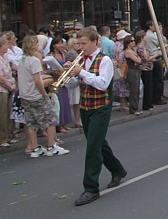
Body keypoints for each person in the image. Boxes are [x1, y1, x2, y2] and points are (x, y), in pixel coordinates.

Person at [69, 27, 127, 206]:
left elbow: (102, 84)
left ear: (94, 42)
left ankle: (91, 188)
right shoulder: (82, 61)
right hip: (86, 107)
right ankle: (118, 170)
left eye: (84, 44)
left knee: (93, 147)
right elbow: (75, 85)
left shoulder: (105, 60)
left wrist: (81, 73)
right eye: (79, 44)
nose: (81, 47)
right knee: (98, 142)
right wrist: (69, 75)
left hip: (101, 107)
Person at [18, 36, 70, 158]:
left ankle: (35, 148)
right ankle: (51, 145)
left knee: (31, 123)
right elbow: (38, 80)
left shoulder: (22, 60)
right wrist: (45, 93)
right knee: (50, 120)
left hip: (25, 95)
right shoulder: (34, 61)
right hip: (36, 95)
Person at [49, 36, 74, 132]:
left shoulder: (64, 53)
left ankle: (64, 123)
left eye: (61, 43)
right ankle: (58, 125)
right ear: (54, 45)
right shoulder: (51, 55)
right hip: (56, 79)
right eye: (58, 43)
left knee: (65, 102)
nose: (61, 45)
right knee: (58, 103)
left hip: (64, 80)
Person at [145, 21, 166, 106]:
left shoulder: (151, 34)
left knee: (157, 79)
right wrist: (160, 33)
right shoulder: (150, 35)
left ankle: (157, 97)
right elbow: (161, 42)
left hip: (155, 56)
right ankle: (157, 98)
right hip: (155, 57)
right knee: (158, 79)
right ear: (150, 26)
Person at [123, 35, 143, 116]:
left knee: (137, 89)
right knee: (134, 90)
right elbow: (138, 60)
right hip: (132, 71)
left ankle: (136, 107)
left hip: (136, 70)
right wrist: (137, 58)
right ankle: (133, 108)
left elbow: (139, 60)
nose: (134, 42)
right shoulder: (128, 51)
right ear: (128, 43)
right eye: (132, 41)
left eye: (134, 40)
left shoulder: (132, 50)